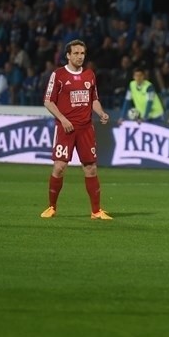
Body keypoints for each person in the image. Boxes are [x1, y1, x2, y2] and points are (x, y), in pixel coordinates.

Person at [40, 39, 112, 220]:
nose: (80, 57)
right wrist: (63, 120)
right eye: (76, 53)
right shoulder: (58, 75)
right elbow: (48, 101)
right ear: (68, 55)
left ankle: (96, 211)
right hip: (66, 128)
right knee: (59, 167)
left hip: (86, 129)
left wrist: (101, 113)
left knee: (91, 169)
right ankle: (51, 207)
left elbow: (93, 99)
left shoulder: (90, 75)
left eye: (82, 54)